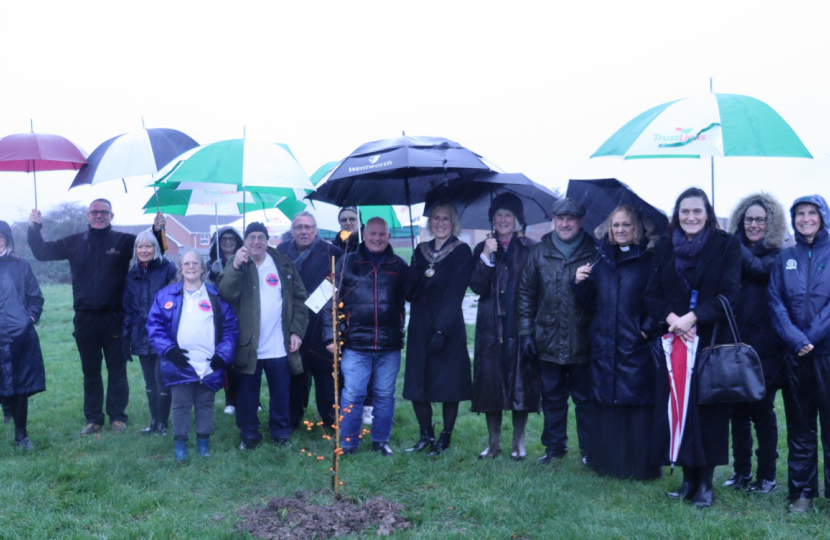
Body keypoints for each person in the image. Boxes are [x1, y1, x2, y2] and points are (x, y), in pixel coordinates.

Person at [27, 200, 164, 435]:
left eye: (104, 212)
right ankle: (93, 418)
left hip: (114, 318)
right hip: (85, 319)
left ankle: (118, 417)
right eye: (95, 212)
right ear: (88, 215)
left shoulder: (123, 241)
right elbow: (41, 252)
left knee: (117, 371)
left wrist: (157, 230)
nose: (99, 216)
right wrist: (34, 228)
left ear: (111, 215)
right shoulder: (73, 242)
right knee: (90, 371)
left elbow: (150, 247)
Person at [644, 187, 741, 509]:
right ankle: (687, 479)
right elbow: (651, 295)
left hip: (710, 342)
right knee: (678, 409)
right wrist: (673, 319)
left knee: (708, 413)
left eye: (697, 211)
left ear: (708, 214)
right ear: (676, 215)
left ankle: (705, 484)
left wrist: (694, 317)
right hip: (674, 343)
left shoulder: (726, 245)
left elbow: (730, 294)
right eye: (684, 211)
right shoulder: (663, 248)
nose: (691, 217)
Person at [574, 205, 661, 480]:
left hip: (636, 345)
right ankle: (607, 463)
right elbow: (589, 303)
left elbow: (660, 299)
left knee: (635, 407)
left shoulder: (650, 259)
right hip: (604, 345)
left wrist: (645, 331)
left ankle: (638, 467)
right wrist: (579, 282)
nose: (620, 230)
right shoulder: (601, 259)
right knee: (607, 405)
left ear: (636, 227)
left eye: (626, 225)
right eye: (615, 225)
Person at [517, 198, 595, 465]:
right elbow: (526, 293)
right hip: (547, 337)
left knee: (585, 400)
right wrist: (526, 333)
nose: (564, 223)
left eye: (570, 219)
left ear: (581, 221)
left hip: (584, 338)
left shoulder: (595, 251)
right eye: (560, 218)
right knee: (552, 397)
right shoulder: (539, 251)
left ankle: (589, 450)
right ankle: (554, 447)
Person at [218, 222, 308, 449]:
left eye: (261, 237)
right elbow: (226, 295)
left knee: (281, 392)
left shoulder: (282, 263)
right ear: (245, 241)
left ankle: (280, 432)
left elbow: (299, 299)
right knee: (247, 394)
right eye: (251, 237)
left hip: (279, 343)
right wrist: (236, 268)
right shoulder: (237, 262)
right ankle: (249, 435)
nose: (256, 241)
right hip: (249, 344)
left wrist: (297, 331)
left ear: (267, 240)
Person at [323, 217, 409, 456]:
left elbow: (414, 294)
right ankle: (349, 444)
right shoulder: (346, 262)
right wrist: (329, 337)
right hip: (355, 343)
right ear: (364, 234)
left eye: (382, 234)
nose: (377, 238)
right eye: (373, 233)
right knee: (353, 394)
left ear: (389, 236)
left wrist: (419, 271)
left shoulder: (399, 265)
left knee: (384, 394)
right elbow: (326, 301)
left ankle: (381, 441)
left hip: (389, 343)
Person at [768, 195, 830, 514]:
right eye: (800, 214)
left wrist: (812, 337)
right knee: (800, 426)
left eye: (812, 213)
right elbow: (775, 302)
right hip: (795, 356)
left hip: (826, 353)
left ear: (823, 217)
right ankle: (802, 493)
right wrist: (795, 339)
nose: (805, 218)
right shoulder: (785, 257)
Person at [147, 250, 238, 461]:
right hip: (179, 364)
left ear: (203, 268)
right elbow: (154, 326)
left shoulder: (215, 295)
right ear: (180, 268)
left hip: (208, 364)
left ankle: (203, 446)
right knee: (180, 406)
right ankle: (180, 447)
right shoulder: (166, 295)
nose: (190, 267)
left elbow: (231, 327)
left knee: (205, 405)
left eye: (195, 263)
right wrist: (169, 350)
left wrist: (223, 355)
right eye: (186, 263)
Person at [724, 193, 787, 494]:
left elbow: (760, 273)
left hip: (764, 348)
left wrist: (733, 244)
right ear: (741, 220)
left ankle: (767, 476)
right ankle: (741, 473)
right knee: (737, 411)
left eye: (760, 219)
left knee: (762, 412)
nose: (753, 224)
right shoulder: (731, 252)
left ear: (770, 223)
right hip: (734, 344)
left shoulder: (778, 255)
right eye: (748, 219)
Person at [470, 193, 539, 461]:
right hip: (491, 325)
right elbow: (475, 286)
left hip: (520, 322)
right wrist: (487, 256)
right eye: (498, 215)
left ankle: (519, 441)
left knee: (522, 380)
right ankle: (493, 442)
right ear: (492, 219)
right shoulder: (483, 249)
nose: (502, 219)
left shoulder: (530, 248)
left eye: (508, 215)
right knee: (491, 380)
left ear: (517, 219)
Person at [405, 202, 474, 457]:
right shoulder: (420, 250)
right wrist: (412, 278)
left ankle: (444, 438)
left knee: (448, 382)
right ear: (429, 221)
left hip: (447, 322)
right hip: (420, 321)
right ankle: (425, 435)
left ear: (453, 222)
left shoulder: (462, 251)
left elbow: (455, 293)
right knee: (417, 379)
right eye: (436, 218)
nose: (440, 222)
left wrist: (441, 330)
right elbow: (411, 294)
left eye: (446, 218)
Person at [277, 212, 343, 430]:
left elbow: (336, 284)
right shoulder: (282, 251)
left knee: (326, 377)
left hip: (321, 323)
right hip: (292, 323)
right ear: (292, 230)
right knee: (295, 373)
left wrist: (308, 306)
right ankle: (292, 419)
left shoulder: (332, 252)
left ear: (316, 230)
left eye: (308, 227)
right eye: (298, 227)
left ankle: (331, 421)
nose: (303, 231)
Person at [123, 231, 177, 436]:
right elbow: (128, 307)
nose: (144, 250)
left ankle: (163, 423)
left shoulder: (168, 269)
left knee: (161, 377)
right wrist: (126, 336)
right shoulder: (132, 273)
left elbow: (176, 301)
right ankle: (153, 421)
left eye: (148, 246)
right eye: (140, 247)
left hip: (163, 333)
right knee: (149, 380)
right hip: (140, 333)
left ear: (155, 248)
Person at [0, 220, 45, 451]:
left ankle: (21, 434)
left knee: (19, 385)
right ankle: (5, 409)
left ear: (7, 239)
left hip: (18, 337)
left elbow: (36, 298)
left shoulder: (21, 265)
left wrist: (30, 320)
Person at [207, 226, 244, 415]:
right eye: (224, 239)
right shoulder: (211, 263)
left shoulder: (246, 260)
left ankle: (248, 398)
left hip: (241, 314)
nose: (228, 242)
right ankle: (230, 400)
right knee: (227, 358)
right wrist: (213, 274)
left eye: (232, 238)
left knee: (245, 358)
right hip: (220, 318)